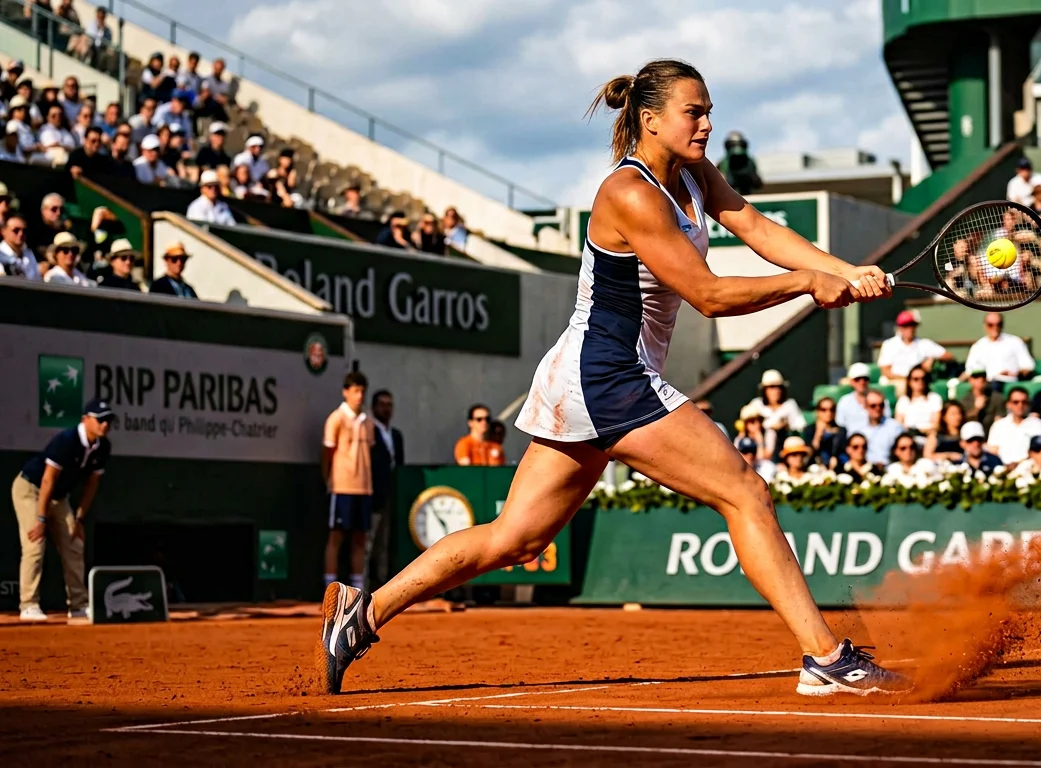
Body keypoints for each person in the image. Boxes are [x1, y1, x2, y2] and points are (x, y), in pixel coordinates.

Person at [316, 61, 908, 698]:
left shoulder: (694, 175)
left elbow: (760, 230)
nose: (708, 124)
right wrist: (807, 284)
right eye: (695, 112)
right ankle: (824, 657)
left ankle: (363, 614)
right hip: (608, 374)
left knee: (516, 538)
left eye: (709, 110)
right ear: (651, 120)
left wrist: (845, 272)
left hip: (594, 378)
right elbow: (707, 295)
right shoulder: (629, 193)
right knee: (744, 492)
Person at [11, 398, 113, 622]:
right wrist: (41, 518)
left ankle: (78, 605)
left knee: (74, 543)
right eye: (100, 420)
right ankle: (28, 605)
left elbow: (91, 485)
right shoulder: (66, 440)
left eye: (108, 421)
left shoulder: (103, 447)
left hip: (58, 496)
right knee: (35, 543)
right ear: (85, 420)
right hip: (32, 489)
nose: (105, 425)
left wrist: (79, 517)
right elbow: (48, 479)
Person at [322, 371, 375, 593]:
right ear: (346, 392)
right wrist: (329, 480)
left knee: (360, 538)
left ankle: (357, 591)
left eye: (362, 391)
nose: (359, 396)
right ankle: (329, 590)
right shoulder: (336, 418)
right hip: (341, 486)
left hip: (364, 488)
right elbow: (327, 452)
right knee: (336, 536)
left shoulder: (368, 421)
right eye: (355, 391)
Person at [368, 390, 404, 589]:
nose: (386, 409)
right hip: (372, 494)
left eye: (389, 405)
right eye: (382, 404)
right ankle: (363, 583)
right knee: (368, 542)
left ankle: (381, 583)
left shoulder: (396, 435)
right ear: (374, 407)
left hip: (390, 494)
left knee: (385, 542)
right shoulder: (369, 430)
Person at [877, 309, 950, 384]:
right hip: (896, 381)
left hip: (918, 381)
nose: (910, 329)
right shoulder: (889, 344)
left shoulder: (924, 344)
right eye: (906, 326)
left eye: (912, 325)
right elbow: (885, 371)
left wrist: (932, 359)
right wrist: (907, 379)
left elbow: (948, 356)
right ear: (899, 328)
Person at [964, 313, 1033, 387]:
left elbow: (1028, 365)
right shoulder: (978, 346)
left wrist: (1014, 373)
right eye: (990, 325)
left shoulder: (1015, 341)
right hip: (987, 383)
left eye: (999, 324)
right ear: (985, 325)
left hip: (1010, 382)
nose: (995, 327)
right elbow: (970, 369)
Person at [986, 386, 1041, 465]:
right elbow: (993, 451)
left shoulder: (1038, 424)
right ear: (1008, 404)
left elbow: (1040, 453)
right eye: (1016, 402)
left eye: (1024, 402)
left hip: (1029, 468)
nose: (1020, 405)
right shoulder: (999, 425)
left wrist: (1018, 464)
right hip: (1003, 469)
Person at [747, 369, 806, 445]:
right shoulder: (756, 404)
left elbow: (800, 426)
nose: (776, 391)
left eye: (779, 387)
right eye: (772, 387)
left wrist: (785, 426)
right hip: (758, 447)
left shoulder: (790, 405)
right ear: (765, 390)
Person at [852, 390, 903, 470]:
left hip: (889, 468)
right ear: (865, 406)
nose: (877, 408)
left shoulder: (895, 427)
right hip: (863, 469)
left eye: (881, 405)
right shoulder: (857, 428)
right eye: (873, 406)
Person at [835, 361, 887, 432]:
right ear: (851, 382)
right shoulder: (844, 402)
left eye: (865, 379)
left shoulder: (879, 399)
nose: (862, 382)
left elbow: (886, 422)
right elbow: (840, 426)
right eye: (857, 379)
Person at [895, 367, 942, 436]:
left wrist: (918, 431)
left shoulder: (934, 398)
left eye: (923, 378)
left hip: (928, 435)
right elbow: (899, 424)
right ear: (909, 381)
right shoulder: (903, 400)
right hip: (908, 436)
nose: (920, 382)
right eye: (916, 379)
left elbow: (936, 424)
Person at [801, 397, 845, 470]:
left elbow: (841, 451)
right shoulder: (809, 429)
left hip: (836, 467)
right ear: (817, 411)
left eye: (832, 409)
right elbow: (808, 454)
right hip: (815, 466)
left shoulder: (841, 430)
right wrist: (818, 434)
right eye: (824, 410)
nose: (828, 413)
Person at [959, 367, 1005, 433]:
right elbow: (963, 421)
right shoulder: (964, 400)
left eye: (983, 377)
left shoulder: (996, 398)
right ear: (970, 380)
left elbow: (1000, 419)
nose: (981, 380)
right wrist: (976, 409)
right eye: (976, 377)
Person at [0, 212, 41, 279]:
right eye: (16, 230)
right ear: (3, 231)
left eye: (24, 231)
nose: (21, 234)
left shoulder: (29, 254)